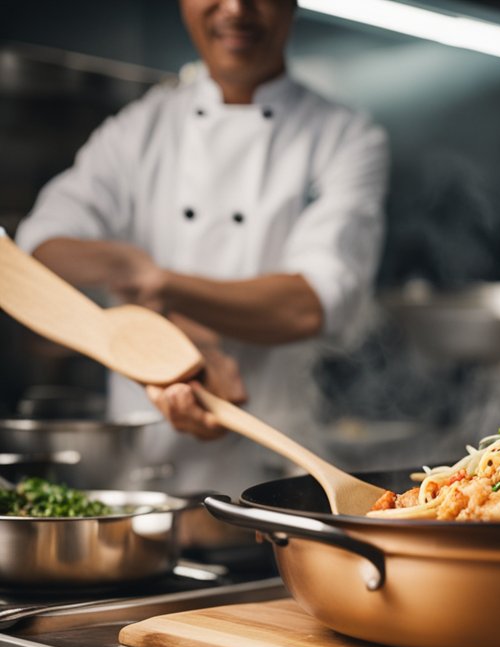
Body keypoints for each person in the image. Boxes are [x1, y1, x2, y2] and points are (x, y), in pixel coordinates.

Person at [16, 0, 388, 495]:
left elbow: (311, 303)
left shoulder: (346, 137)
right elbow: (35, 258)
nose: (236, 9)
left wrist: (158, 283)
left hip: (281, 480)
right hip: (139, 486)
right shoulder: (138, 130)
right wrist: (172, 335)